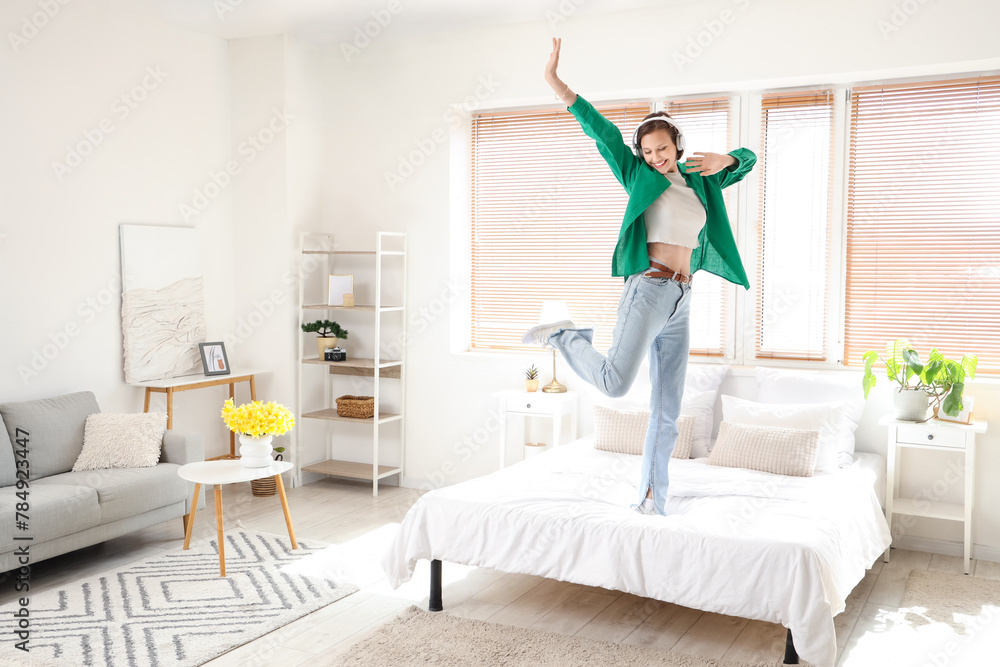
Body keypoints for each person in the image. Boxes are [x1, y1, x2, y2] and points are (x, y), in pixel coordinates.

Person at [523, 38, 756, 516]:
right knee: (614, 384)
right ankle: (565, 336)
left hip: (682, 298)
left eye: (662, 149)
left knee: (669, 409)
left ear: (678, 145)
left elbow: (750, 159)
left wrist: (726, 160)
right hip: (648, 288)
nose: (655, 157)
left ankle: (653, 497)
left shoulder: (700, 179)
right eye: (648, 151)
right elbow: (603, 132)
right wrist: (558, 85)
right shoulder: (638, 176)